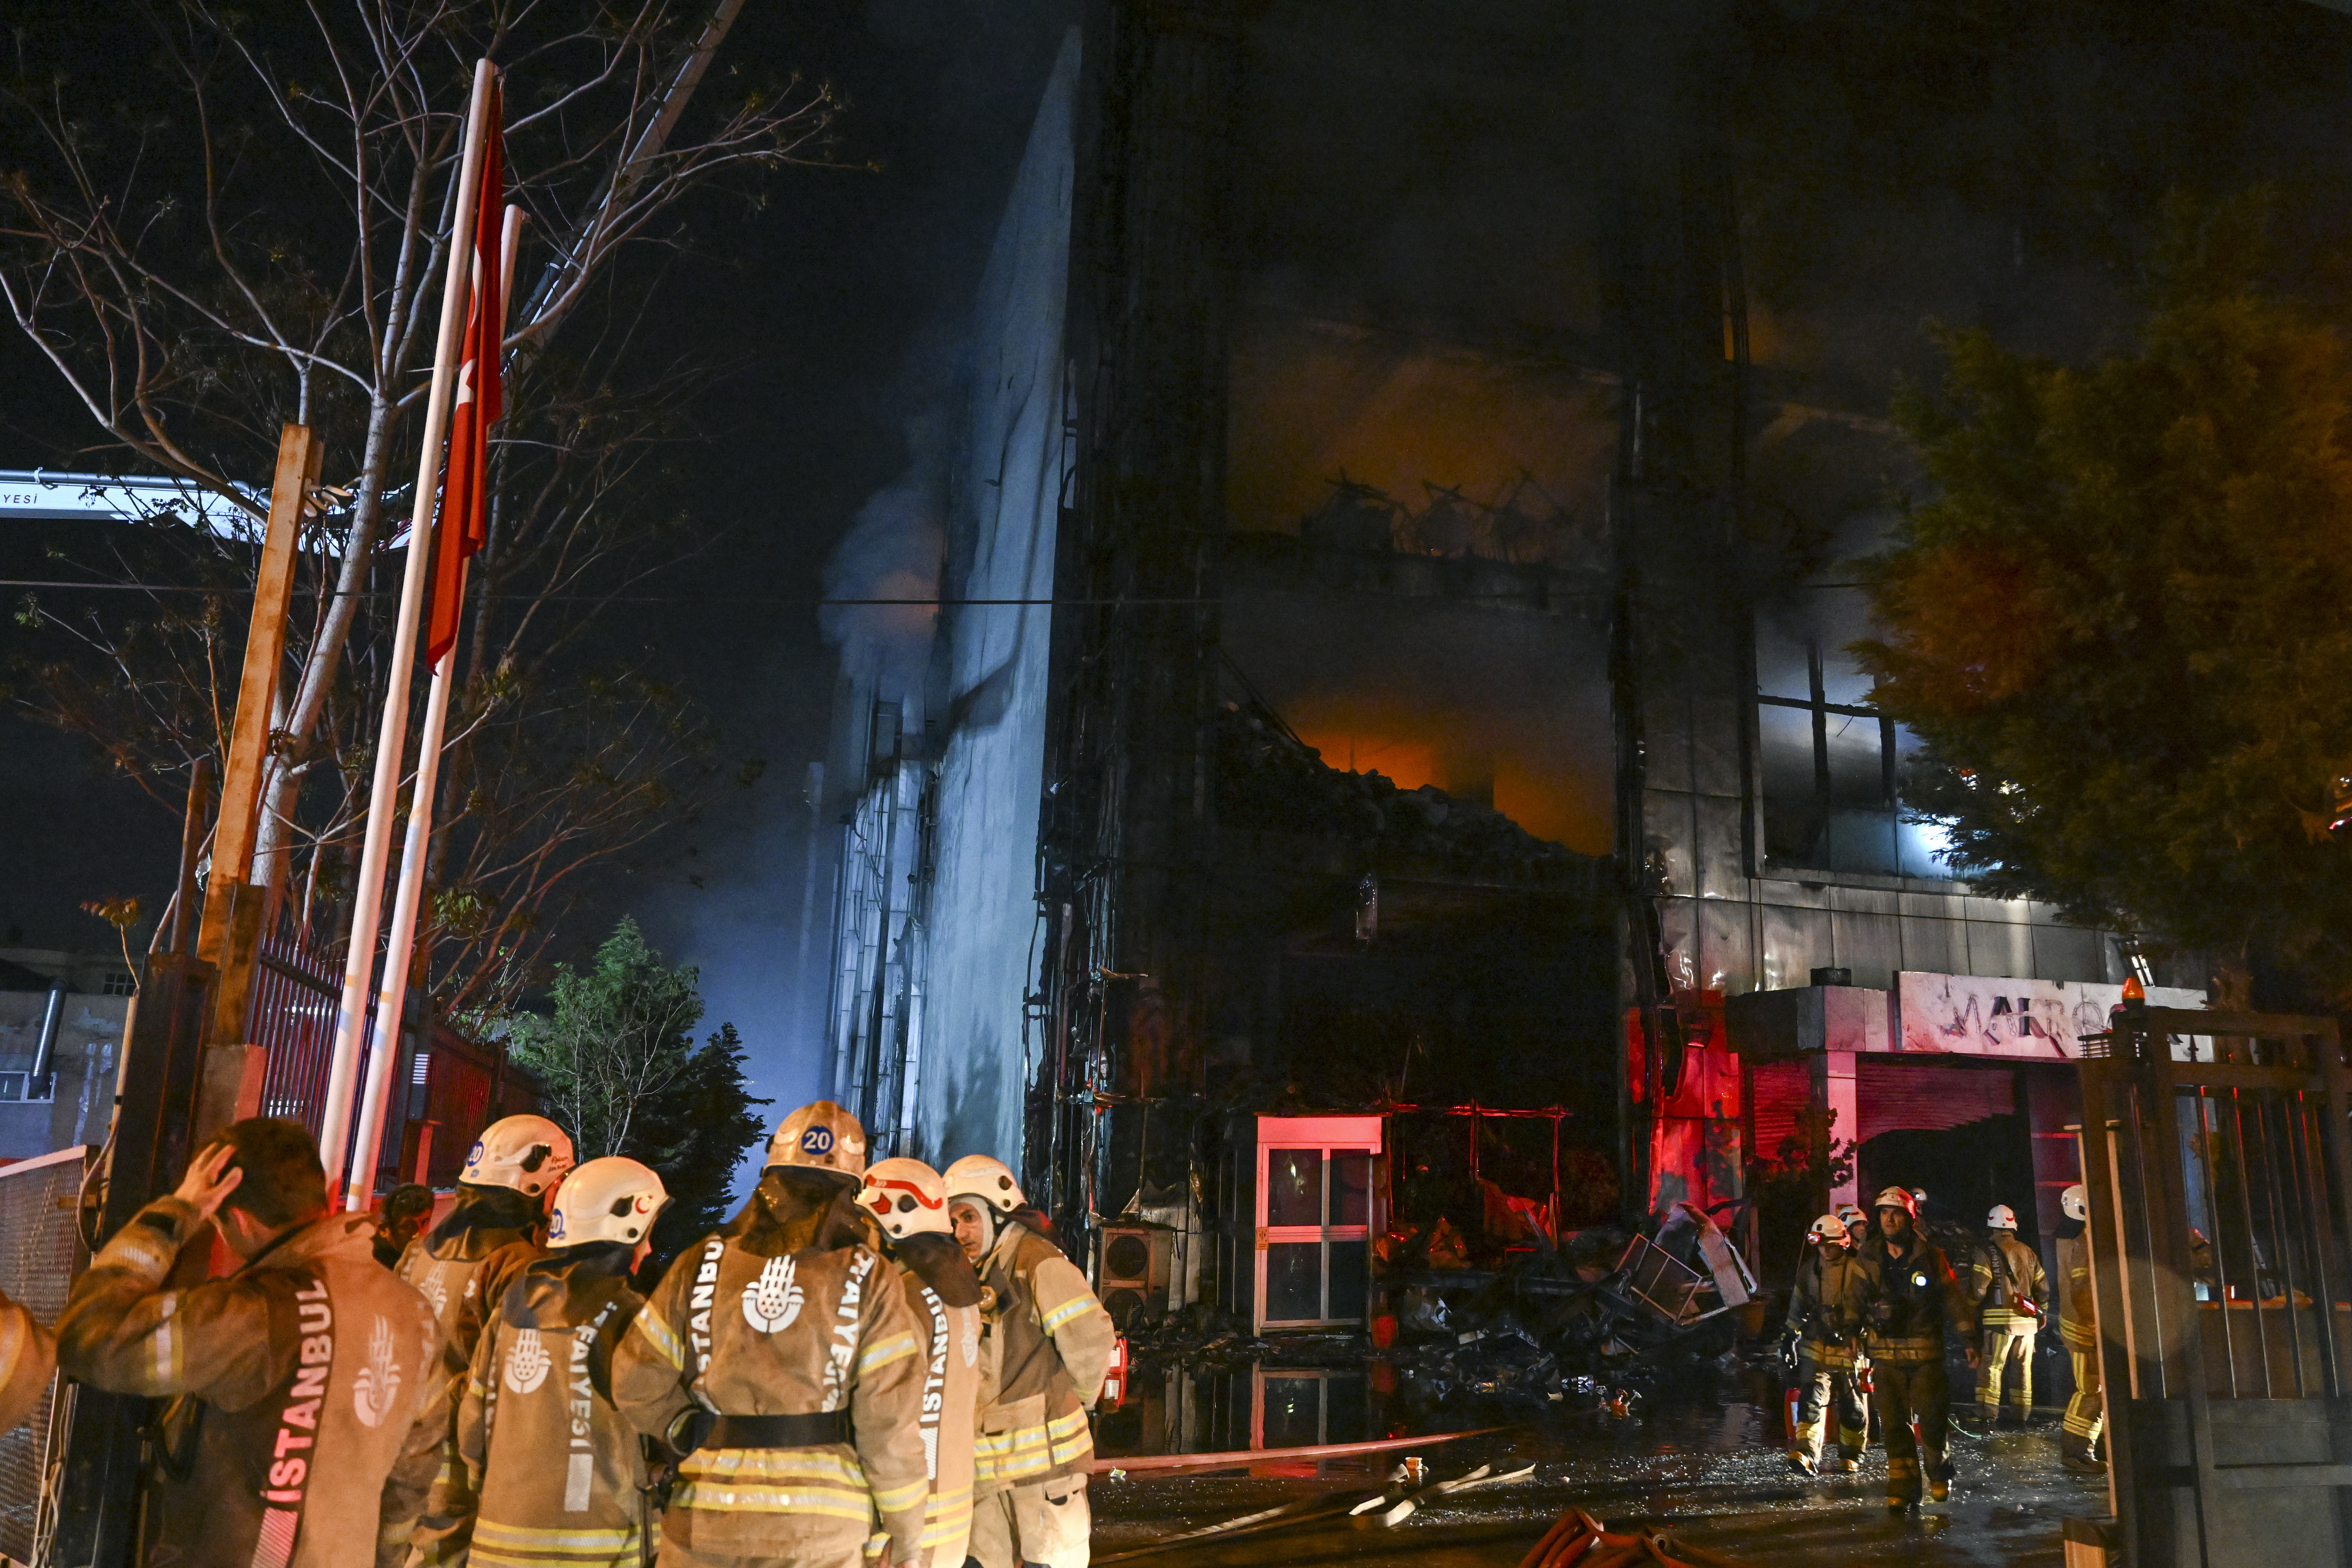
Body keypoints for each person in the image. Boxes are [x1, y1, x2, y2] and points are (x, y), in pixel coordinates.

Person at [56, 1117, 444, 1568]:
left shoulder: (256, 1313)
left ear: (236, 1217)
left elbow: (90, 1337)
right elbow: (414, 1472)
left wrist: (178, 1211)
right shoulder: (414, 1313)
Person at [612, 1101, 930, 1568]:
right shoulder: (868, 1276)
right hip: (820, 1533)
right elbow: (889, 1423)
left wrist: (686, 1427)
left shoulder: (701, 1261)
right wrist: (905, 1534)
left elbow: (635, 1379)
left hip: (705, 1524)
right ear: (850, 1192)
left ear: (768, 1179)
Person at [421, 1157, 671, 1568]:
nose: (650, 1247)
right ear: (627, 1227)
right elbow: (666, 1424)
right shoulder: (632, 1317)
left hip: (497, 1544)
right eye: (647, 1233)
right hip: (600, 1546)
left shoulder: (511, 1309)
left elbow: (472, 1421)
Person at [945, 1155, 1113, 1568]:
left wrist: (1077, 1401)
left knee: (1050, 1559)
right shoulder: (975, 1269)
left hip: (1045, 1469)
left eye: (969, 1216)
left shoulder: (1036, 1260)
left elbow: (1090, 1337)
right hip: (986, 1467)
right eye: (952, 1221)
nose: (960, 1231)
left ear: (998, 1213)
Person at [855, 1158, 982, 1568]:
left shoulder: (904, 1296)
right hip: (949, 1523)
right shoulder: (959, 1290)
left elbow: (890, 1418)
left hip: (904, 1530)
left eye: (866, 1219)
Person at [1859, 1185, 1975, 1509]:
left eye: (1896, 1213)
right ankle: (1903, 1487)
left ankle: (1938, 1472)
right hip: (1885, 1354)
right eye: (1883, 1212)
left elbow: (1953, 1297)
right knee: (1893, 1424)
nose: (1889, 1219)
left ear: (1909, 1219)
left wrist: (1968, 1339)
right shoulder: (1868, 1255)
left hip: (1925, 1353)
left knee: (1933, 1418)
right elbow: (1853, 1297)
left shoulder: (1929, 1255)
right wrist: (1847, 1333)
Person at [1782, 1213, 1872, 1476]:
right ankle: (1807, 1453)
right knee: (1810, 1400)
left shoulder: (1859, 1269)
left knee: (1852, 1406)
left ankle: (1852, 1455)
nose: (1825, 1251)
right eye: (1821, 1246)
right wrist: (1789, 1338)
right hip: (1816, 1347)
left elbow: (1871, 1309)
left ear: (1843, 1244)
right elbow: (1797, 1306)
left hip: (1849, 1349)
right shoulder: (1810, 1270)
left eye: (1830, 1246)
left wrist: (1861, 1336)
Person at [1966, 1203, 2048, 1425]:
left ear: (1991, 1227)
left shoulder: (1986, 1253)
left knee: (1992, 1367)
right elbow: (2043, 1287)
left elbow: (1979, 1289)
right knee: (2022, 1368)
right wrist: (2042, 1312)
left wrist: (1968, 1307)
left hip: (1998, 1324)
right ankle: (2022, 1414)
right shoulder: (2028, 1252)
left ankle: (1987, 1413)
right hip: (2028, 1324)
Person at [2055, 1183, 2105, 1473]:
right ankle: (2076, 1452)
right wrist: (2099, 1323)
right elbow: (2083, 1289)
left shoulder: (2067, 1236)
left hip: (2077, 1325)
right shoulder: (2083, 1240)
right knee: (2090, 1390)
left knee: (2092, 1390)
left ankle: (2082, 1449)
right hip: (2085, 1327)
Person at [375, 1184, 437, 1269]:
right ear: (384, 1230)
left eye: (424, 1222)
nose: (418, 1234)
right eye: (408, 1226)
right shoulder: (374, 1265)